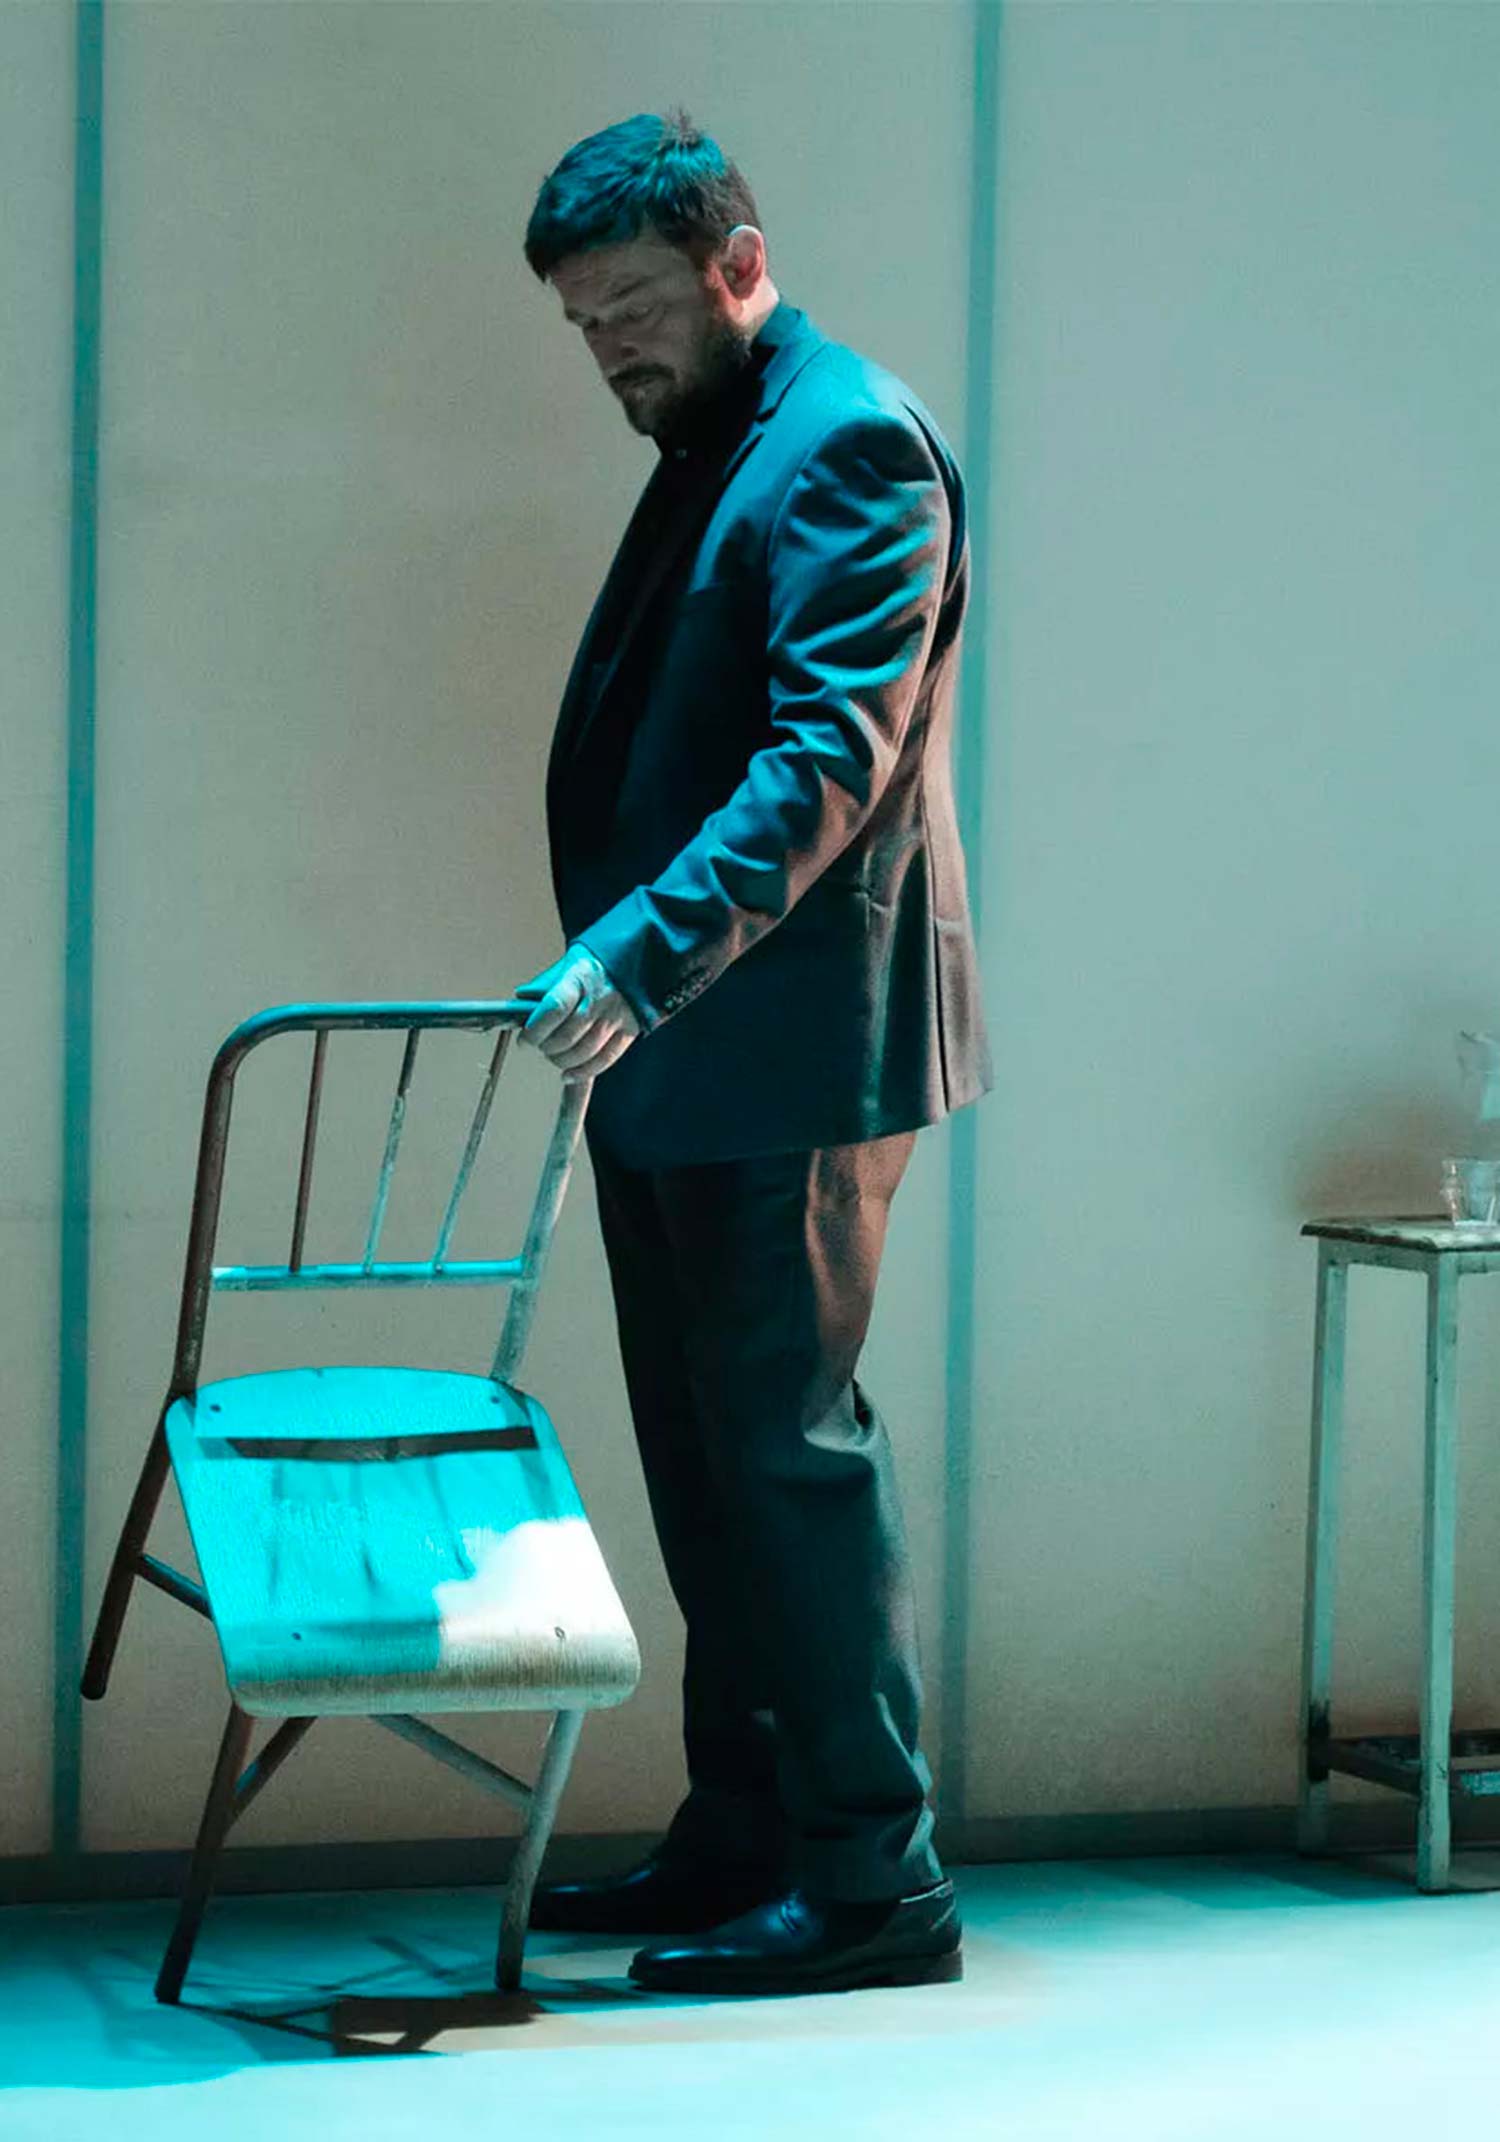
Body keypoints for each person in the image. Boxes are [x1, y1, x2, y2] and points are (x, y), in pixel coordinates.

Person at [511, 110, 990, 1997]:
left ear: (740, 263)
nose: (609, 350)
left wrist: (636, 954)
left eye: (631, 308)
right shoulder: (726, 434)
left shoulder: (849, 439)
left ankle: (876, 1884)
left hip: (785, 1043)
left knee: (788, 1458)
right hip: (686, 1046)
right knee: (711, 1463)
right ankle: (747, 1832)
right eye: (582, 325)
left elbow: (823, 762)